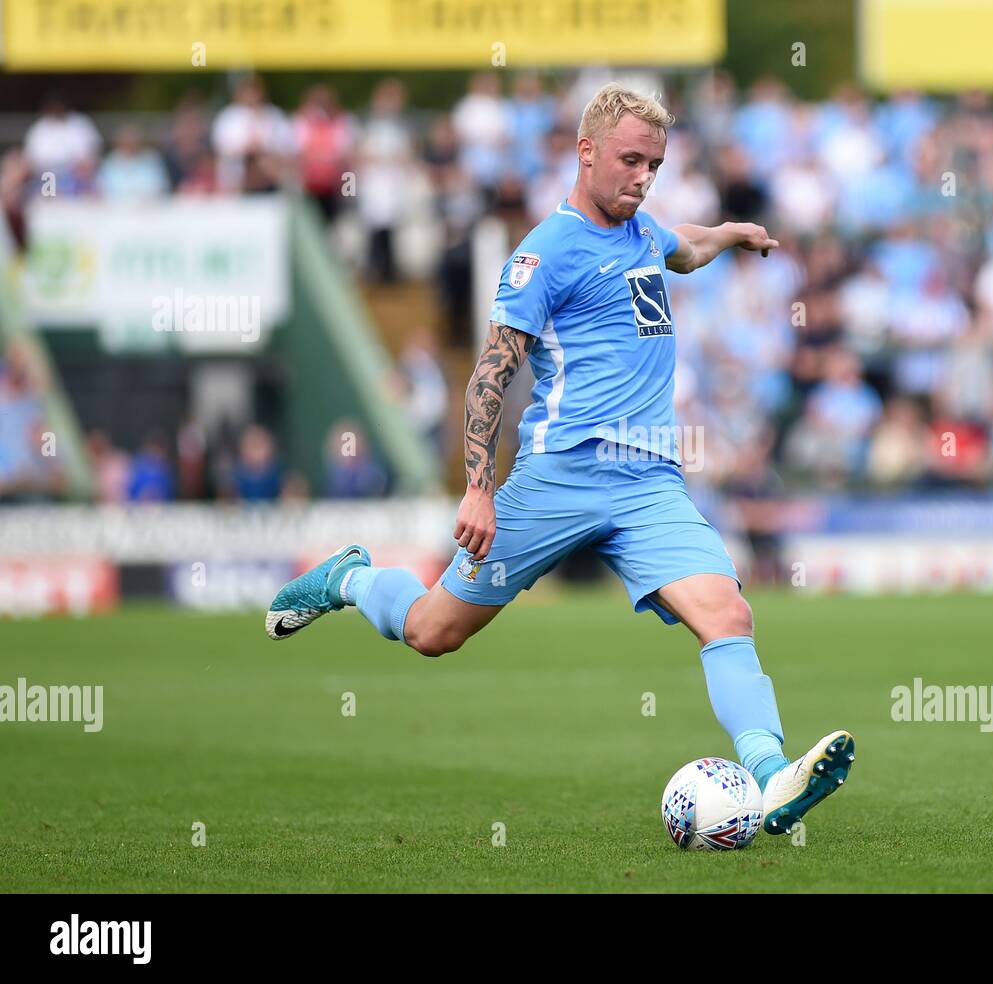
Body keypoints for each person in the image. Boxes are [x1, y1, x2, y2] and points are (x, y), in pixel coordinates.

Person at [265, 83, 854, 836]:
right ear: (586, 152)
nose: (643, 177)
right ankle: (350, 575)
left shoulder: (644, 232)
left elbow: (688, 246)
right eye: (630, 161)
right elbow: (490, 371)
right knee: (433, 631)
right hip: (560, 476)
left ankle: (772, 778)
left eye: (656, 164)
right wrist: (479, 487)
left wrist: (733, 233)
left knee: (728, 613)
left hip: (648, 482)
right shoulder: (546, 252)